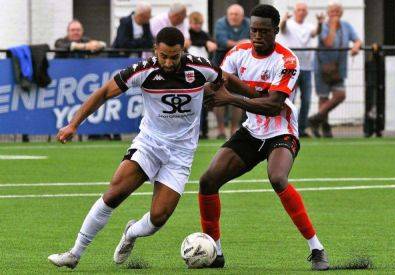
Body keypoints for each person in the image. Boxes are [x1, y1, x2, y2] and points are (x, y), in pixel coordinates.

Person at [47, 27, 223, 269]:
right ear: (155, 51)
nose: (169, 62)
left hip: (181, 153)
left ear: (183, 51)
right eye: (164, 56)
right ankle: (74, 254)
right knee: (114, 193)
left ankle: (131, 233)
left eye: (174, 56)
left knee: (159, 217)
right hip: (149, 143)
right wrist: (73, 124)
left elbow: (225, 80)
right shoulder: (144, 70)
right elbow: (103, 93)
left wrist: (244, 97)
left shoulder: (201, 67)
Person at [198, 4, 329, 270]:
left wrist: (231, 97)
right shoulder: (238, 53)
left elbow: (272, 105)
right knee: (208, 181)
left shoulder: (287, 60)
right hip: (252, 130)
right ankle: (214, 252)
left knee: (277, 177)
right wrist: (207, 91)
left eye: (263, 31)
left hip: (281, 130)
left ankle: (317, 249)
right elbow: (219, 84)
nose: (257, 36)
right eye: (253, 30)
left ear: (275, 31)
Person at [308, 1, 361, 138]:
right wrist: (332, 26)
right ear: (328, 13)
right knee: (323, 97)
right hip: (322, 67)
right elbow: (329, 43)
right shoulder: (323, 27)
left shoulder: (347, 26)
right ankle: (325, 127)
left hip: (339, 68)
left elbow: (357, 40)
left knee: (340, 95)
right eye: (332, 11)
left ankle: (315, 119)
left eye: (337, 11)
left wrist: (356, 46)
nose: (335, 14)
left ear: (341, 13)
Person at [278, 2, 324, 137]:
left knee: (307, 100)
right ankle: (286, 128)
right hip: (291, 68)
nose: (301, 12)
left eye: (304, 10)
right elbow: (282, 28)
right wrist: (284, 19)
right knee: (289, 100)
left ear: (307, 12)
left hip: (307, 68)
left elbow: (316, 32)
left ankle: (301, 129)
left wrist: (320, 23)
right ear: (295, 11)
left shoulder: (309, 27)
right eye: (299, 10)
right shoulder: (289, 24)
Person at [213, 4, 250, 139]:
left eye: (237, 14)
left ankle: (234, 128)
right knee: (219, 96)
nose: (234, 17)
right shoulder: (220, 23)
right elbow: (222, 41)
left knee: (238, 97)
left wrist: (237, 43)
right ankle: (220, 128)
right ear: (227, 15)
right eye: (231, 14)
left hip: (241, 66)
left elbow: (253, 41)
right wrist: (243, 43)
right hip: (221, 63)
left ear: (242, 16)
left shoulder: (249, 23)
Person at [188, 11, 218, 139]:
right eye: (195, 23)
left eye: (199, 23)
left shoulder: (204, 35)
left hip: (202, 72)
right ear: (190, 23)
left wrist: (209, 44)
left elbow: (212, 46)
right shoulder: (186, 34)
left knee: (203, 101)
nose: (197, 26)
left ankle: (204, 131)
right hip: (189, 71)